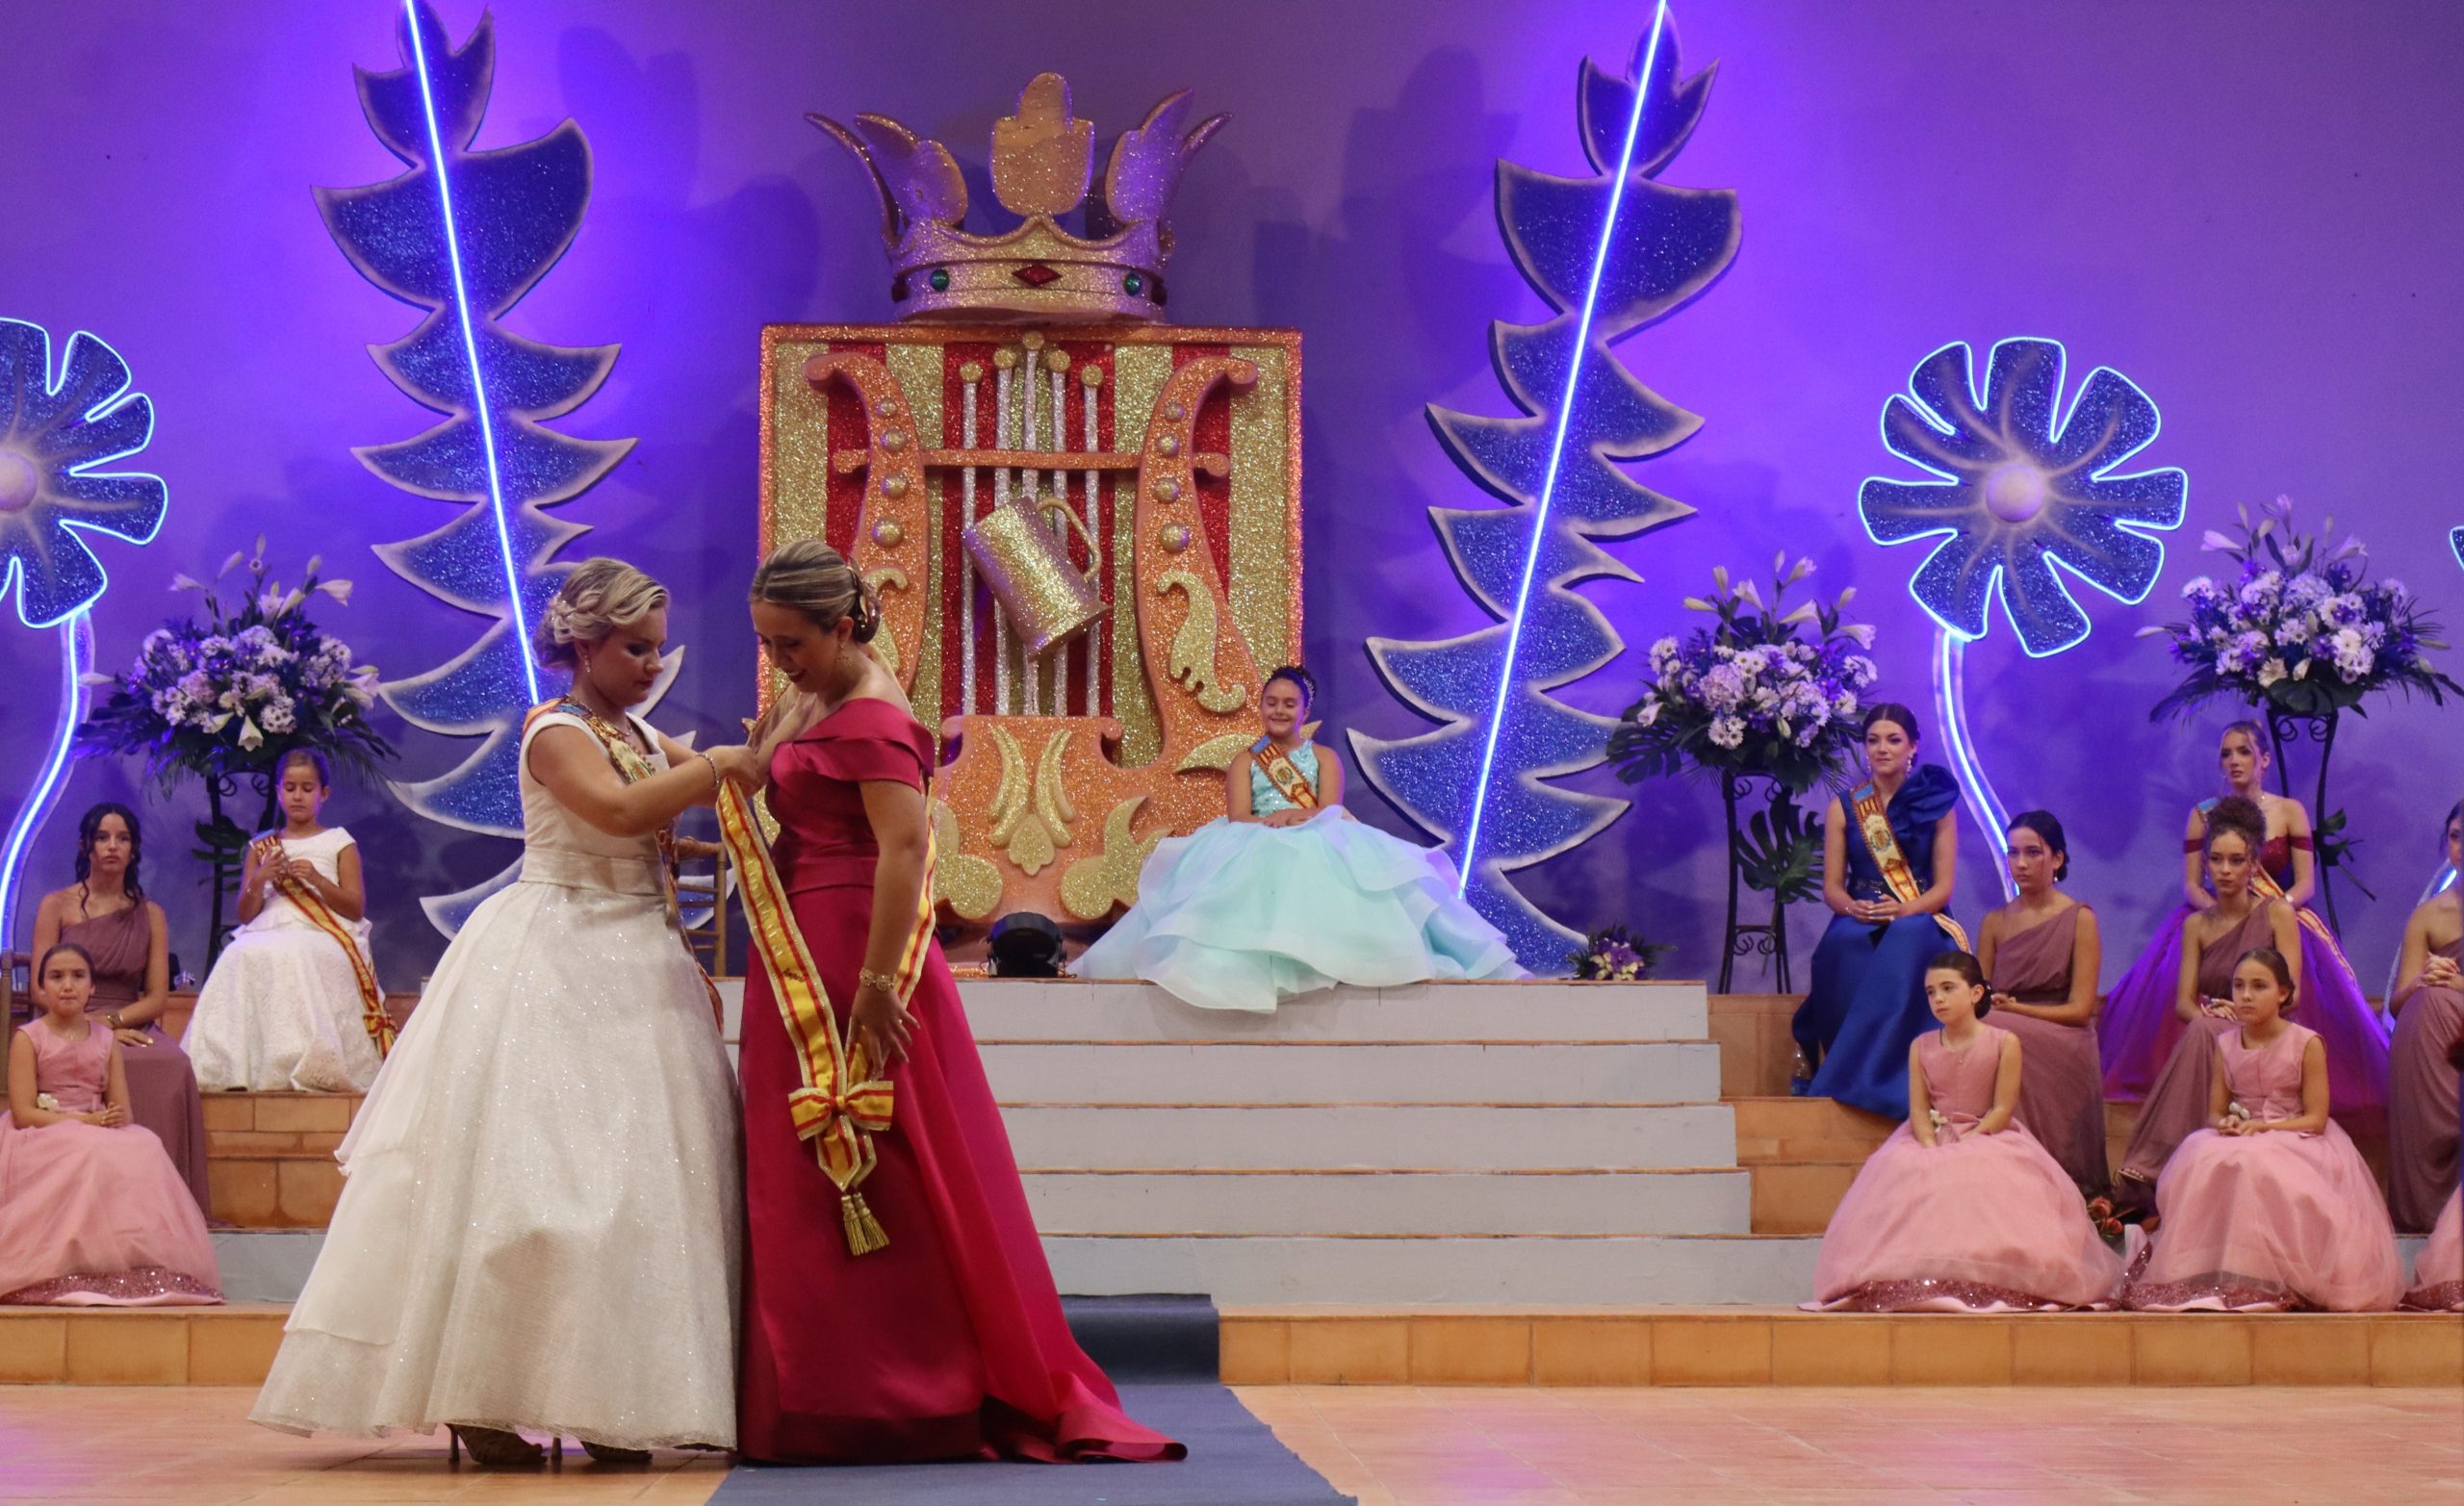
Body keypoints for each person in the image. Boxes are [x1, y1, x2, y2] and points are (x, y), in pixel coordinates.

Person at [251, 559, 753, 1466]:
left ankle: (614, 1396)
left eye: (658, 648)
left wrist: (758, 757)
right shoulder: (555, 731)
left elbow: (689, 794)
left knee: (638, 1188)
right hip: (559, 952)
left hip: (639, 959)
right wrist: (716, 765)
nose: (653, 665)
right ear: (586, 645)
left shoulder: (635, 729)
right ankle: (480, 1391)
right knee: (539, 1185)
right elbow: (616, 809)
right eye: (637, 649)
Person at [732, 539, 1181, 1465]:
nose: (778, 660)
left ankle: (903, 1391)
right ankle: (813, 1389)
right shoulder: (807, 691)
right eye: (767, 642)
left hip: (861, 948)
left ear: (842, 625)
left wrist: (875, 985)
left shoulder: (874, 718)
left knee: (894, 1155)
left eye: (791, 643)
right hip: (798, 940)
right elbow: (746, 767)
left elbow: (903, 853)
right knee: (800, 1161)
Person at [1072, 664, 1523, 1011]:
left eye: (1290, 704)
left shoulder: (1324, 757)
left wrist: (1294, 816)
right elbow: (1239, 816)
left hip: (1315, 832)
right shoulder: (1245, 761)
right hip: (1255, 836)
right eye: (1271, 702)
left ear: (1304, 711)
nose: (1279, 710)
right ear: (1260, 707)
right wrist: (1275, 821)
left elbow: (1329, 808)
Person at [2099, 722, 2390, 1125]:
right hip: (2215, 912)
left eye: (2243, 752)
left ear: (2264, 759)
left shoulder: (2289, 811)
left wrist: (2267, 911)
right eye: (2226, 753)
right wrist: (2224, 914)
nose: (2233, 760)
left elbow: (2305, 883)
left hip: (2277, 911)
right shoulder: (2202, 814)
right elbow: (2191, 884)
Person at [1805, 952, 2123, 1312]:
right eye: (1930, 992)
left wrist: (1970, 1142)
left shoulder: (2004, 1042)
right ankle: (1917, 1274)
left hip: (1986, 1134)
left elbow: (2002, 1108)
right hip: (1932, 1137)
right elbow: (1919, 1109)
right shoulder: (1921, 1046)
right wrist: (1930, 1146)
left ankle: (1988, 1275)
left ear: (1975, 993)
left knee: (1977, 1179)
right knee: (1911, 1173)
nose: (1937, 999)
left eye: (1947, 988)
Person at [2123, 947, 2402, 1312]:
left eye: (2259, 987)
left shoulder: (2306, 1043)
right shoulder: (2225, 1043)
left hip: (2295, 1136)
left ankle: (2269, 1275)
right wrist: (2226, 1122)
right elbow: (2214, 1112)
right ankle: (2208, 1269)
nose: (2246, 996)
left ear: (2282, 993)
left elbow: (2316, 1119)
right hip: (2245, 1133)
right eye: (2239, 986)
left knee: (2253, 1164)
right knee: (2202, 1155)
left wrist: (2264, 1127)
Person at [0, 943, 222, 1306]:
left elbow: (122, 1108)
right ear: (42, 987)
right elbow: (24, 1112)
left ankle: (132, 1264)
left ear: (91, 987)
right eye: (56, 977)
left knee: (145, 1145)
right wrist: (81, 1120)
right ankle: (67, 1266)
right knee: (86, 1149)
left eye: (77, 976)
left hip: (97, 1126)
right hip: (43, 1129)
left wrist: (111, 1117)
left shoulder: (106, 1039)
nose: (67, 985)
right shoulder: (29, 1038)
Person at [2110, 796, 2300, 1210]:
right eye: (2216, 860)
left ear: (2254, 864)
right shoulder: (2196, 924)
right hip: (2213, 1022)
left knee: (2202, 1032)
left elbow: (2293, 992)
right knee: (2201, 1027)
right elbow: (2184, 1002)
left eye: (2236, 860)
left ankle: (2155, 1164)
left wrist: (2248, 1010)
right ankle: (2170, 1168)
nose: (2225, 870)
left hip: (2264, 1028)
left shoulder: (2278, 915)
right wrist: (2211, 1011)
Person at [30, 803, 210, 1212]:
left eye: (122, 838)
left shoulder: (152, 914)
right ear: (85, 846)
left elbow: (157, 997)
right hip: (64, 1020)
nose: (112, 846)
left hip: (130, 1019)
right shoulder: (56, 905)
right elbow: (41, 989)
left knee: (169, 1064)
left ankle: (160, 1202)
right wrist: (89, 1025)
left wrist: (109, 1024)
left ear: (133, 849)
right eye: (103, 837)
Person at [1791, 702, 1963, 1118]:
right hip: (1860, 916)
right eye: (1873, 740)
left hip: (1919, 914)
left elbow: (1943, 887)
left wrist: (1905, 910)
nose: (1882, 748)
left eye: (1893, 740)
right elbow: (1832, 888)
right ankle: (1848, 1073)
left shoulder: (1937, 804)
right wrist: (1853, 907)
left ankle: (1901, 1080)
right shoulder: (1845, 807)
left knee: (1907, 937)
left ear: (1913, 746)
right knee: (1841, 947)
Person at [186, 749, 391, 1093]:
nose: (298, 796)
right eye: (290, 788)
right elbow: (245, 913)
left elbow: (355, 907)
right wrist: (260, 877)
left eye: (307, 788)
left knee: (297, 952)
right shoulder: (261, 846)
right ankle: (236, 1069)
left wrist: (318, 880)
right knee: (238, 954)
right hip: (268, 926)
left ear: (323, 793)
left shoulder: (339, 842)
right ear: (279, 792)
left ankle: (304, 1062)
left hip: (322, 930)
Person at [1975, 810, 2107, 1193]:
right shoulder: (1994, 923)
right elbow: (1978, 1000)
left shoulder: (2079, 918)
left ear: (2057, 858)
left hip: (2063, 1035)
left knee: (1997, 1028)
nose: (2021, 863)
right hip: (2004, 1024)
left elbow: (2081, 1010)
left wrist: (2015, 1010)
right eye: (2013, 853)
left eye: (2033, 852)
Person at [2386, 798, 2464, 1233]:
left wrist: (2456, 983)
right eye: (2455, 837)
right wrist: (2422, 980)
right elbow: (2397, 1003)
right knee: (2425, 1004)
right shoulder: (2427, 915)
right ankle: (2423, 1219)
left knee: (2435, 1002)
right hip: (2429, 1034)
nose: (2462, 847)